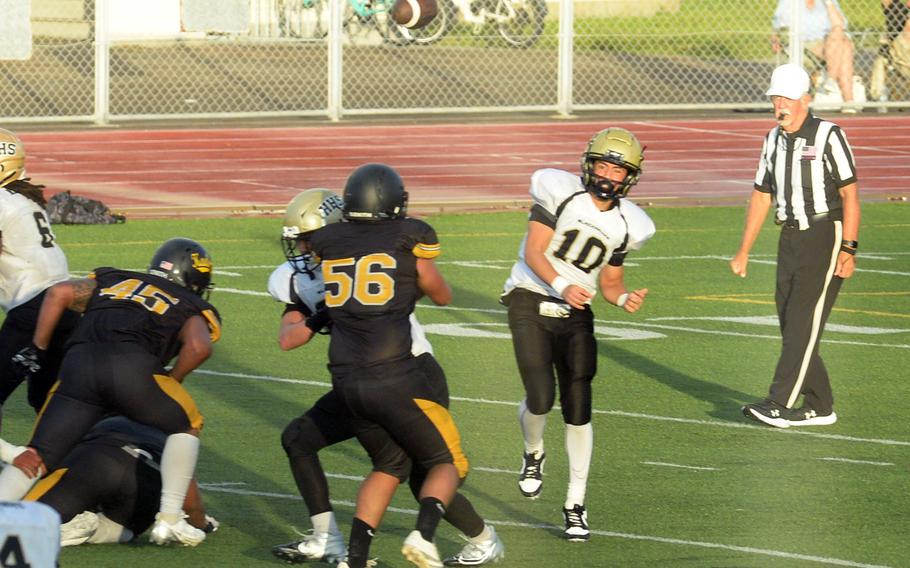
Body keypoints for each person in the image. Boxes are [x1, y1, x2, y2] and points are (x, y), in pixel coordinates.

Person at [268, 189, 504, 566]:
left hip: (410, 370)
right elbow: (287, 339)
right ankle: (328, 538)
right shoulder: (294, 278)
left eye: (309, 238)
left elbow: (421, 289)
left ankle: (482, 537)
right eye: (299, 239)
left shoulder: (371, 253)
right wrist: (321, 316)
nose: (303, 247)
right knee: (299, 438)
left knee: (420, 472)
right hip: (357, 378)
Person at [0, 237, 222, 548]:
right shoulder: (189, 302)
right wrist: (172, 378)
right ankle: (169, 519)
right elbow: (199, 347)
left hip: (77, 365)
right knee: (187, 425)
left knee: (35, 455)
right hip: (133, 369)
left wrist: (39, 347)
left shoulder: (114, 278)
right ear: (193, 277)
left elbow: (58, 293)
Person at [308, 164, 469, 568]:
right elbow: (440, 292)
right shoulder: (410, 233)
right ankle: (425, 535)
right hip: (394, 372)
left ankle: (355, 559)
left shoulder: (326, 240)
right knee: (446, 462)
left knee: (387, 464)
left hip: (344, 378)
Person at [501, 127, 654, 542]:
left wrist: (622, 300)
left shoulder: (628, 224)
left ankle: (575, 503)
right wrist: (562, 285)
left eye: (616, 169)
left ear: (630, 176)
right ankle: (534, 453)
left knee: (578, 403)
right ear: (588, 164)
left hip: (577, 309)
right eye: (602, 164)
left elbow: (610, 284)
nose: (607, 174)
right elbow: (535, 252)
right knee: (539, 397)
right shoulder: (559, 192)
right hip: (530, 294)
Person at [731, 63, 860, 429]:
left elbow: (850, 195)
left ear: (805, 99)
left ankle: (779, 401)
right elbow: (761, 195)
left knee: (802, 320)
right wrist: (744, 249)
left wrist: (849, 248)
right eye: (775, 98)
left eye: (786, 98)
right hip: (789, 235)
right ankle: (820, 404)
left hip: (824, 233)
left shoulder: (829, 135)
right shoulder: (772, 140)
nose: (779, 106)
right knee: (792, 323)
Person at [0, 416, 218, 546]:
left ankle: (68, 525)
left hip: (98, 460)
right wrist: (202, 524)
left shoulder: (98, 410)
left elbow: (58, 453)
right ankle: (94, 531)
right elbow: (188, 498)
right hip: (146, 483)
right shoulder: (177, 425)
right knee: (127, 529)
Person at [0, 127, 79, 431]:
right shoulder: (23, 198)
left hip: (34, 308)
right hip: (66, 308)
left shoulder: (5, 200)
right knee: (46, 400)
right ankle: (67, 464)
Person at [771, 0, 857, 112]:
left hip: (827, 42)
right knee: (844, 46)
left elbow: (841, 24)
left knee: (840, 37)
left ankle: (831, 81)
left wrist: (829, 4)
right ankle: (848, 99)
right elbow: (779, 24)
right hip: (801, 43)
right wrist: (776, 37)